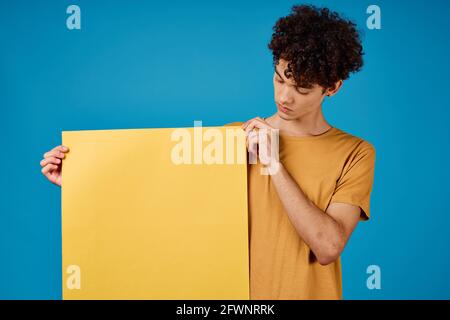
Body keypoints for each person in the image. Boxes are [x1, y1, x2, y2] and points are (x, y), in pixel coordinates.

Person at [40, 5, 375, 299]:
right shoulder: (232, 140)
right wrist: (80, 184)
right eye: (279, 79)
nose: (284, 97)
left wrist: (274, 164)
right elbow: (161, 208)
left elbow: (328, 246)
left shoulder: (355, 153)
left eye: (301, 88)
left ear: (332, 87)